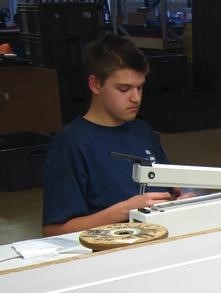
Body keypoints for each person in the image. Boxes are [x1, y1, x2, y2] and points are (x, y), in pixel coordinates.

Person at [42, 33, 177, 236]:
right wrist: (125, 210)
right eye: (124, 89)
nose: (136, 98)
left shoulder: (143, 131)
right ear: (95, 84)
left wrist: (180, 196)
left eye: (140, 87)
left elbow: (168, 188)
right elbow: (54, 231)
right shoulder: (70, 143)